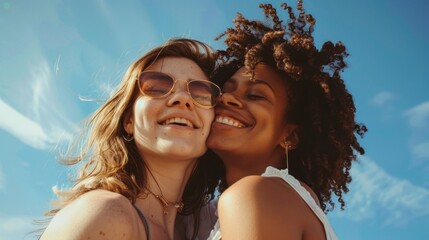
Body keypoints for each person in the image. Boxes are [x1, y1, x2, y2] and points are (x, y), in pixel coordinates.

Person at [205, 1, 367, 239]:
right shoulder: (286, 199)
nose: (228, 98)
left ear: (289, 136)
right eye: (224, 90)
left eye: (255, 95)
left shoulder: (255, 193)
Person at [38, 38, 223, 240]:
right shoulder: (105, 213)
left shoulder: (201, 230)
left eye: (200, 92)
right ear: (128, 120)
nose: (183, 98)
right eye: (157, 86)